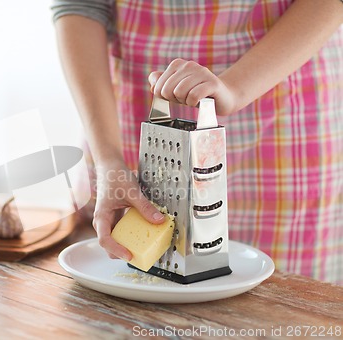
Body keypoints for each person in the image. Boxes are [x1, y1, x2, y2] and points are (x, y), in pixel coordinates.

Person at [51, 0, 343, 284]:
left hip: (280, 102)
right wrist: (108, 161)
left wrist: (235, 87)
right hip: (129, 109)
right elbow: (81, 6)